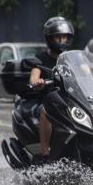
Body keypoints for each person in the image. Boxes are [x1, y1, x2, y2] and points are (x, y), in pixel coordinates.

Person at [30, 16, 74, 157]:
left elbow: (86, 71)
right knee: (46, 111)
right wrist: (37, 82)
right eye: (58, 37)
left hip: (68, 100)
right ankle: (45, 152)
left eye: (64, 37)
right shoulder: (40, 58)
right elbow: (34, 76)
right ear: (49, 38)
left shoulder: (71, 58)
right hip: (47, 101)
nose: (62, 40)